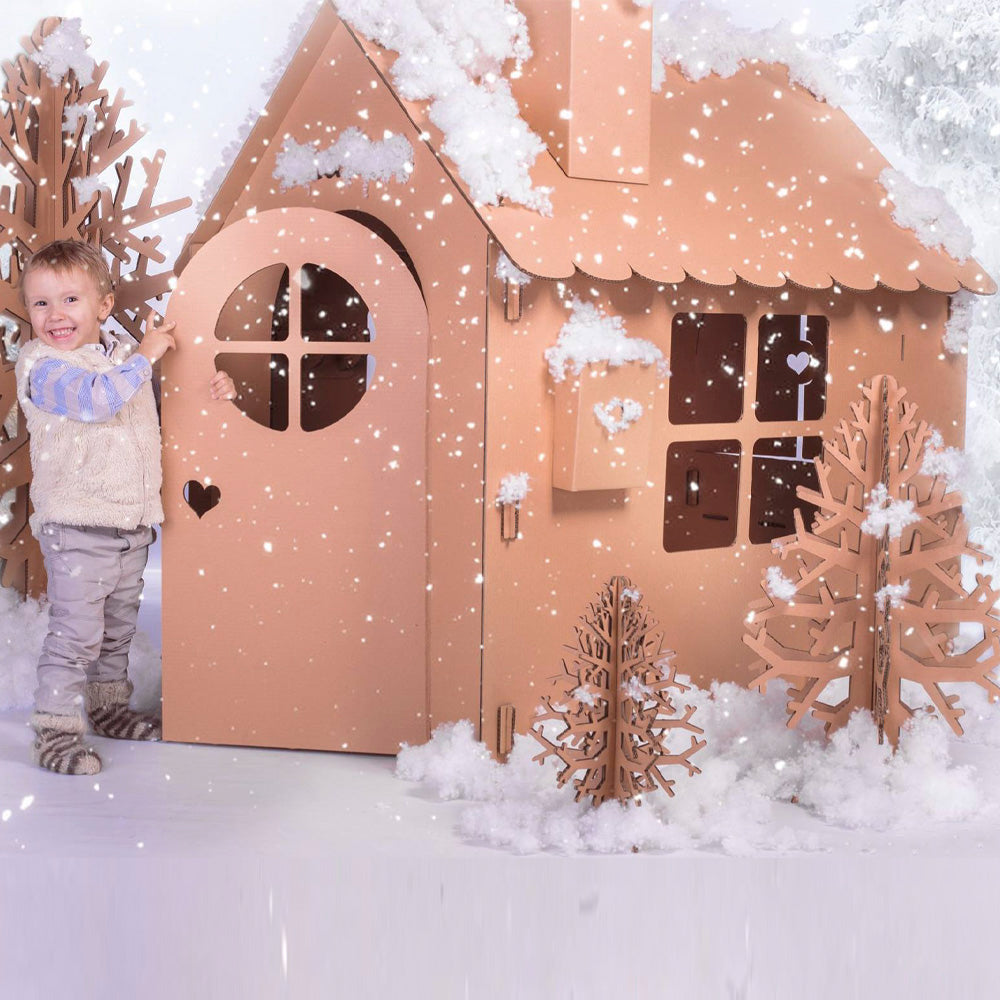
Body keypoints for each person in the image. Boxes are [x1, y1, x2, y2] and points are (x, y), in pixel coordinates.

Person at [13, 239, 235, 775]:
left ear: (103, 307)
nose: (55, 315)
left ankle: (108, 708)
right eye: (40, 303)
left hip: (129, 524)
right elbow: (97, 400)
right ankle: (55, 732)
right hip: (77, 525)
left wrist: (214, 392)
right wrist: (148, 355)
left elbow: (151, 413)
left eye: (70, 300)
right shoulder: (41, 367)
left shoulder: (115, 360)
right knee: (76, 635)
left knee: (116, 630)